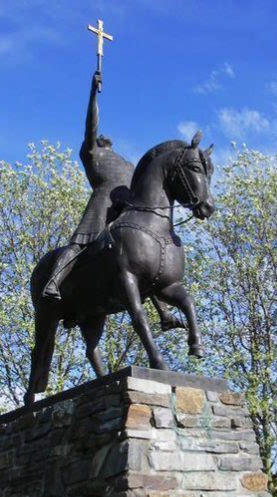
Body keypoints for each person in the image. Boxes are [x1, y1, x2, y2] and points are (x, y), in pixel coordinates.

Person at [42, 71, 184, 331]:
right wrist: (92, 94)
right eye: (100, 136)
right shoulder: (91, 152)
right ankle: (53, 281)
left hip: (128, 212)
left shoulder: (127, 163)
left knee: (144, 259)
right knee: (77, 246)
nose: (104, 136)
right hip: (101, 208)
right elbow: (91, 126)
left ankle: (163, 313)